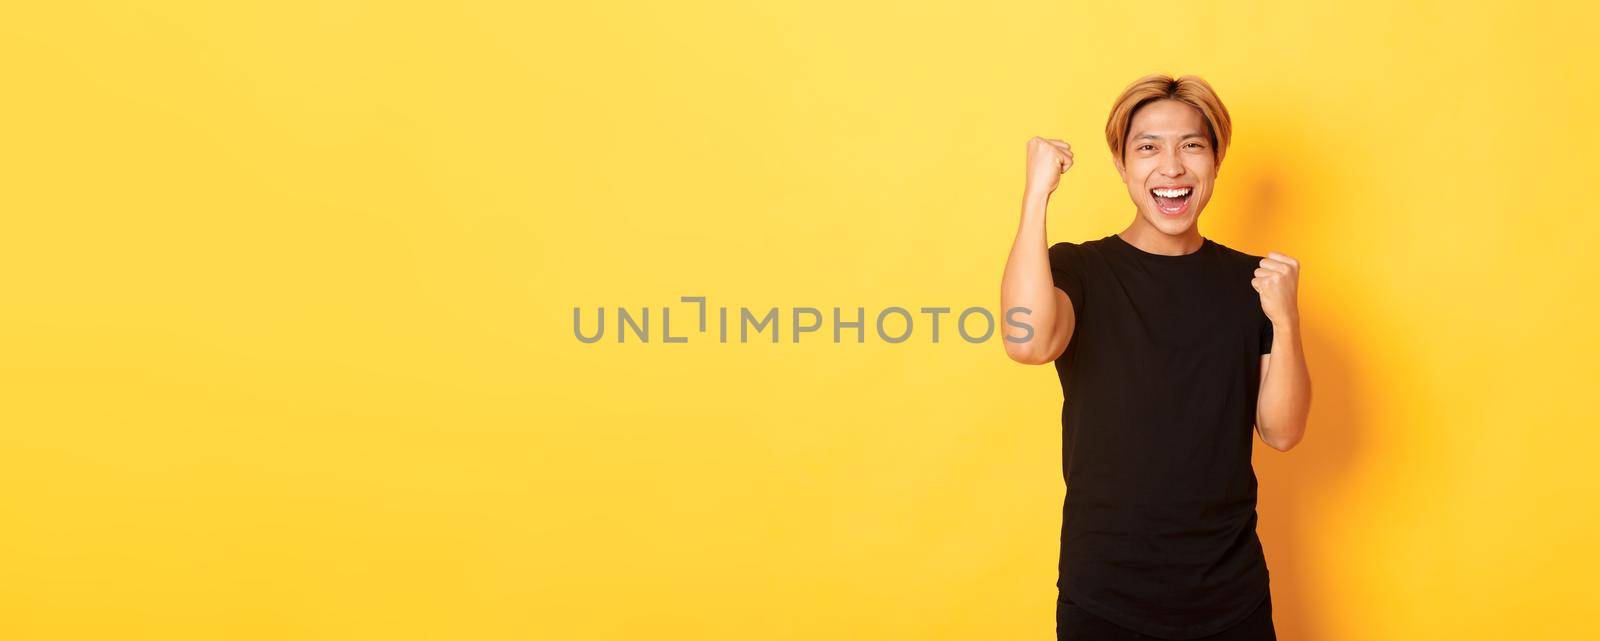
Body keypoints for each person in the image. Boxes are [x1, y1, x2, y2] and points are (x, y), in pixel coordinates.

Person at [998, 74, 1313, 640]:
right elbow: (1027, 341)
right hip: (1105, 598)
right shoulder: (1080, 270)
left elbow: (1282, 431)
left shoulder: (1254, 283)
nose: (1171, 167)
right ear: (1121, 164)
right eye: (1147, 147)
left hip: (1231, 597)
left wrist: (1286, 319)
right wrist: (1035, 197)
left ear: (1216, 161)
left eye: (1191, 145)